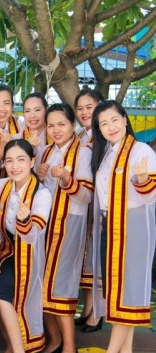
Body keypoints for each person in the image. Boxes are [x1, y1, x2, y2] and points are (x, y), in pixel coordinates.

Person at [83, 100, 156, 353]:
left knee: (126, 293)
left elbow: (150, 195)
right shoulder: (106, 154)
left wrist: (142, 178)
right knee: (117, 292)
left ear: (125, 119)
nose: (110, 127)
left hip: (132, 228)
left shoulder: (141, 151)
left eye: (114, 120)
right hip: (108, 226)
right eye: (103, 123)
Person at [0, 139, 52, 353]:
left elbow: (34, 235)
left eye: (21, 160)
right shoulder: (1, 185)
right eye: (9, 160)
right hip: (4, 250)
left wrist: (24, 221)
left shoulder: (42, 194)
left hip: (28, 255)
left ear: (32, 161)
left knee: (0, 294)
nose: (14, 166)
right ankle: (13, 346)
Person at [34, 103, 93, 353]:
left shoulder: (83, 152)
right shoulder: (46, 151)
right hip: (45, 226)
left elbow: (87, 195)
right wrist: (39, 175)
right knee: (42, 283)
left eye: (62, 124)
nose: (56, 130)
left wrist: (68, 180)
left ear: (73, 125)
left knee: (61, 284)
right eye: (51, 125)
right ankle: (54, 340)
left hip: (69, 224)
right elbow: (40, 190)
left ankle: (70, 348)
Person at [73, 89, 105, 333]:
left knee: (97, 259)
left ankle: (97, 313)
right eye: (80, 108)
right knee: (86, 259)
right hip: (83, 203)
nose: (84, 112)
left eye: (89, 107)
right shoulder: (80, 135)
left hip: (99, 203)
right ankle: (88, 308)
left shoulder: (104, 136)